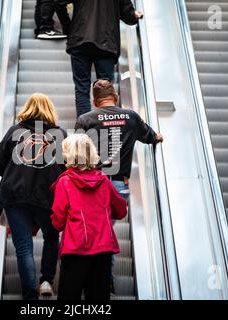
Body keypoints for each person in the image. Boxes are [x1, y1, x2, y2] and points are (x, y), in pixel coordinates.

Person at [75, 79, 163, 293]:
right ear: (114, 96)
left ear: (95, 101)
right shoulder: (130, 116)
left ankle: (89, 279)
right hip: (117, 187)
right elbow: (151, 136)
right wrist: (158, 137)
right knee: (105, 233)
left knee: (88, 231)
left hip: (90, 185)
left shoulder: (85, 119)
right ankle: (105, 280)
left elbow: (75, 153)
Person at [0, 93, 67, 300]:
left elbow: (0, 164)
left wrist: (16, 174)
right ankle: (46, 281)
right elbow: (66, 167)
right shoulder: (59, 134)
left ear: (28, 108)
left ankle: (30, 297)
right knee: (51, 237)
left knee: (23, 246)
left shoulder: (15, 131)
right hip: (48, 196)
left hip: (15, 195)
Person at [51, 134, 127, 301]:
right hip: (103, 248)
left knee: (69, 297)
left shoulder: (64, 182)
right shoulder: (104, 181)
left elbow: (58, 220)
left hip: (75, 248)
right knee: (99, 297)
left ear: (67, 154)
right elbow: (121, 211)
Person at [57, 0, 144, 117]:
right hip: (106, 43)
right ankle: (105, 125)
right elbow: (128, 15)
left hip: (80, 40)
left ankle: (85, 128)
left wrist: (68, 27)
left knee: (82, 89)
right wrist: (135, 16)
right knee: (105, 90)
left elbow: (59, 2)